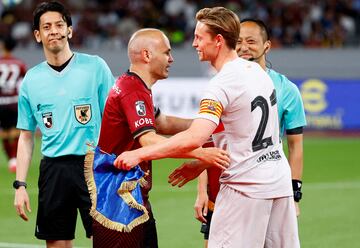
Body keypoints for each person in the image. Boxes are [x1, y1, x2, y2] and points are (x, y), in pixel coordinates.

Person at [115, 7, 300, 248]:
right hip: (278, 183)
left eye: (199, 37)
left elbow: (195, 137)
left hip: (245, 189)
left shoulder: (221, 85)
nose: (193, 44)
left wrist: (139, 153)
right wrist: (201, 163)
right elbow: (244, 133)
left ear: (219, 41)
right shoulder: (258, 72)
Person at [92, 28, 228, 248]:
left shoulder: (136, 86)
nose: (171, 59)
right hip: (118, 202)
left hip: (132, 195)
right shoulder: (132, 90)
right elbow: (149, 140)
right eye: (166, 53)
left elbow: (162, 122)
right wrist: (199, 151)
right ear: (147, 55)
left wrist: (210, 124)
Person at [194, 18, 307, 247]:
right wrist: (202, 189)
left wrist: (295, 193)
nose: (244, 47)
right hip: (231, 178)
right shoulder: (232, 80)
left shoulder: (285, 89)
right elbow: (208, 138)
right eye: (239, 41)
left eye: (251, 41)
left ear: (267, 45)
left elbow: (295, 145)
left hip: (250, 181)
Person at [13, 1, 114, 248]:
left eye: (59, 25)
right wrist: (20, 185)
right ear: (38, 35)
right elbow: (26, 136)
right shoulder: (31, 80)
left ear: (70, 29)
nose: (54, 31)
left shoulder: (95, 67)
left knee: (105, 240)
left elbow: (114, 119)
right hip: (53, 171)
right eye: (46, 27)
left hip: (94, 167)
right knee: (57, 244)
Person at [0, 36, 27, 173]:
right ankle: (15, 160)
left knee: (4, 132)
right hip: (14, 102)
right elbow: (23, 85)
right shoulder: (20, 63)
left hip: (1, 103)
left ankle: (11, 159)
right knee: (16, 132)